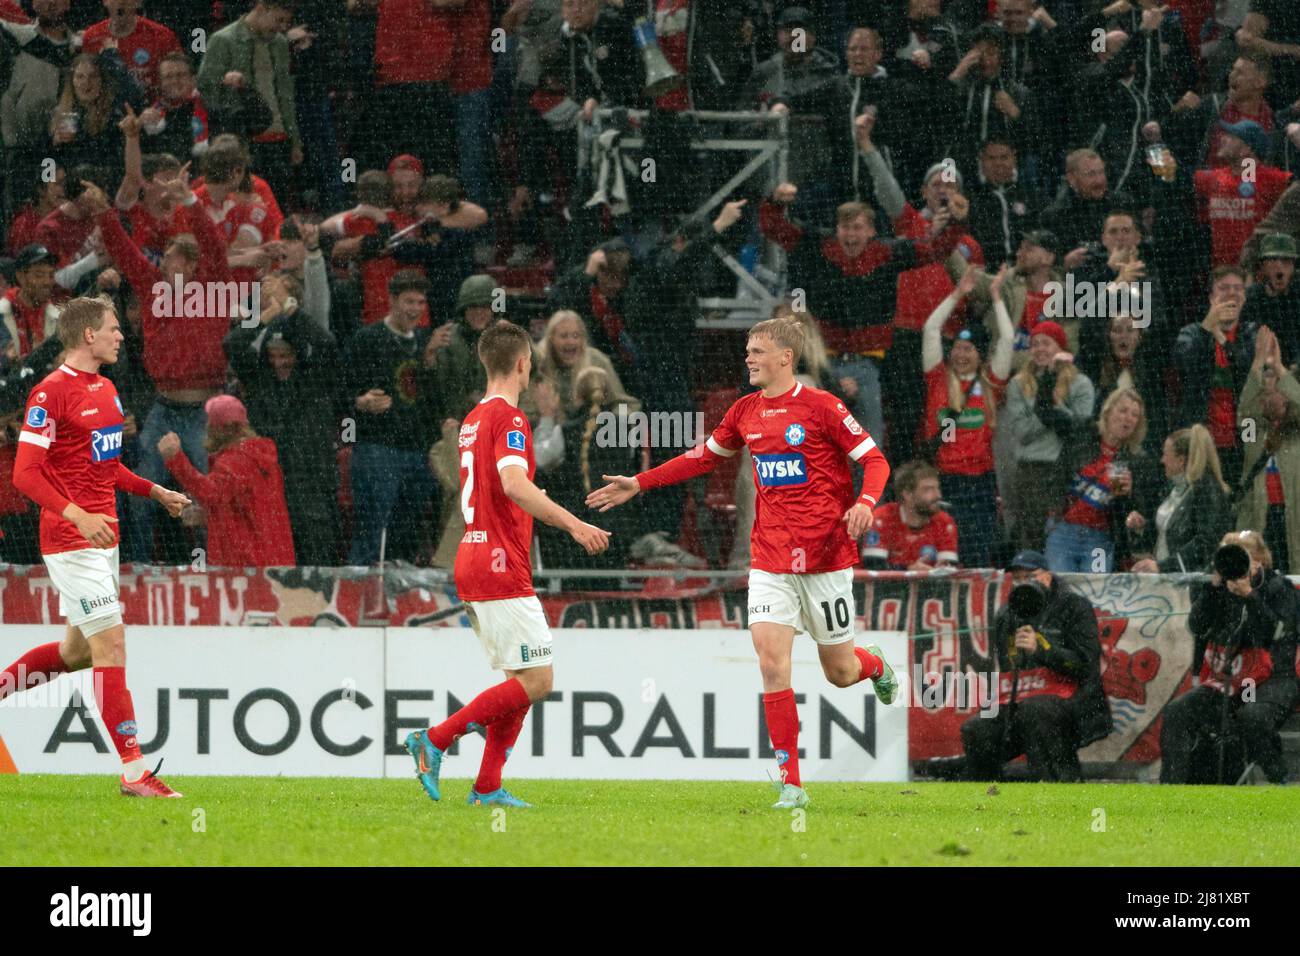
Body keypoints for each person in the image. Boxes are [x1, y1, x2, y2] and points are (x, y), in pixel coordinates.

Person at [586, 317, 898, 811]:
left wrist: (866, 502)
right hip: (770, 560)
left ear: (784, 358)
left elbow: (876, 460)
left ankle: (875, 664)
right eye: (748, 350)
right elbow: (701, 458)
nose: (748, 357)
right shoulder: (745, 410)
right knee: (773, 665)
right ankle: (791, 784)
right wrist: (640, 482)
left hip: (825, 560)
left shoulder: (823, 407)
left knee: (839, 672)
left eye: (757, 350)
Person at [404, 320, 610, 809]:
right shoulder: (511, 420)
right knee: (538, 681)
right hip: (497, 562)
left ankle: (488, 786)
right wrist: (575, 525)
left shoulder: (474, 417)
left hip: (474, 555)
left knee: (522, 677)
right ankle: (434, 740)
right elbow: (515, 484)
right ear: (524, 363)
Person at [0, 296, 190, 796]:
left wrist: (155, 490)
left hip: (102, 539)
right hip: (69, 539)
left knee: (77, 651)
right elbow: (25, 474)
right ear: (88, 335)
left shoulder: (106, 389)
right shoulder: (48, 395)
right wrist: (78, 515)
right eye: (113, 328)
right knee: (112, 644)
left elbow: (105, 468)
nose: (121, 335)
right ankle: (134, 772)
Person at [959, 550, 1112, 782]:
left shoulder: (1074, 606)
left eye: (1030, 575)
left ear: (1047, 576)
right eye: (1018, 578)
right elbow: (1009, 670)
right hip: (1024, 699)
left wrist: (1043, 652)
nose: (1024, 582)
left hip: (1076, 701)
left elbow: (1086, 665)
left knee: (1035, 710)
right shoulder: (1006, 614)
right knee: (977, 728)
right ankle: (986, 800)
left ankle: (1062, 787)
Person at [1160, 531, 1300, 784]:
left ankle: (1281, 781)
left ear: (1259, 560)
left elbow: (1276, 633)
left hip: (1275, 678)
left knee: (1252, 715)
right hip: (1233, 679)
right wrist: (1213, 588)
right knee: (1178, 711)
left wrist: (1250, 595)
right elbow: (1197, 626)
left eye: (1240, 556)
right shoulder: (1219, 590)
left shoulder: (1280, 588)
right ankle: (1172, 788)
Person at [919, 264, 1015, 567]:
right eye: (958, 348)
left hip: (981, 481)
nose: (961, 354)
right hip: (946, 479)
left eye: (969, 349)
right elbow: (931, 328)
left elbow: (1008, 340)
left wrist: (997, 297)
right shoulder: (938, 380)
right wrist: (957, 293)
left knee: (978, 548)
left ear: (980, 354)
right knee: (946, 547)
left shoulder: (990, 383)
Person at [157, 394, 295, 567]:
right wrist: (210, 515)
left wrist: (175, 459)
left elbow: (210, 493)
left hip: (246, 564)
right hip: (275, 557)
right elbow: (246, 507)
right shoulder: (260, 455)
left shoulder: (235, 460)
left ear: (221, 429)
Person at [1002, 319, 1096, 551]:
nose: (1040, 349)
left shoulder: (1081, 383)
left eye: (1046, 343)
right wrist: (1046, 408)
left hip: (1068, 469)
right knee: (1030, 537)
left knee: (1064, 536)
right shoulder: (1017, 385)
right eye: (1034, 344)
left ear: (1061, 348)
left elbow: (1080, 428)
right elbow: (1022, 432)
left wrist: (1053, 410)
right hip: (1032, 470)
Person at [1046, 387, 1159, 573]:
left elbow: (1135, 511)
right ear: (1107, 412)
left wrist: (1129, 494)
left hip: (1099, 541)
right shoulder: (1082, 437)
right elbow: (1044, 412)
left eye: (1134, 415)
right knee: (1061, 589)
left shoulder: (1136, 460)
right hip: (1063, 531)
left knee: (1096, 592)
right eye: (1122, 410)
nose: (1128, 418)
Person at [1236, 326, 1300, 573]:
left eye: (1275, 380)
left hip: (1292, 516)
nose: (1268, 384)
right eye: (1264, 380)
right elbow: (1245, 411)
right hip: (1261, 519)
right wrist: (1258, 363)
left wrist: (1280, 367)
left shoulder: (1296, 434)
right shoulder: (1253, 433)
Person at [1130, 425, 1233, 573]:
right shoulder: (1172, 488)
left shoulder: (1207, 491)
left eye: (1165, 454)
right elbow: (1170, 531)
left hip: (1191, 583)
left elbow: (1206, 543)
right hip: (1169, 577)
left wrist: (1163, 566)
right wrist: (1143, 526)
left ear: (1180, 460)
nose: (1162, 460)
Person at [861, 460, 958, 571]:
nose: (938, 495)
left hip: (928, 588)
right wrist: (909, 570)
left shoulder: (944, 522)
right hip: (886, 588)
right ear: (907, 494)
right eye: (928, 490)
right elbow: (874, 566)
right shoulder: (882, 518)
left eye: (937, 488)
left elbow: (949, 569)